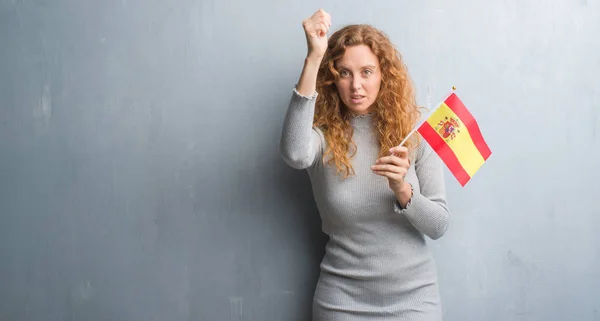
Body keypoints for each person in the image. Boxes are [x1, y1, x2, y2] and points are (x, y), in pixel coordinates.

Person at [279, 8, 450, 321]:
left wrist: (403, 189)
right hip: (342, 302)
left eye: (367, 72)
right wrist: (314, 57)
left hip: (414, 302)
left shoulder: (417, 131)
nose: (356, 85)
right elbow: (293, 153)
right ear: (333, 78)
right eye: (344, 72)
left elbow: (439, 225)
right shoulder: (323, 137)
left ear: (384, 74)